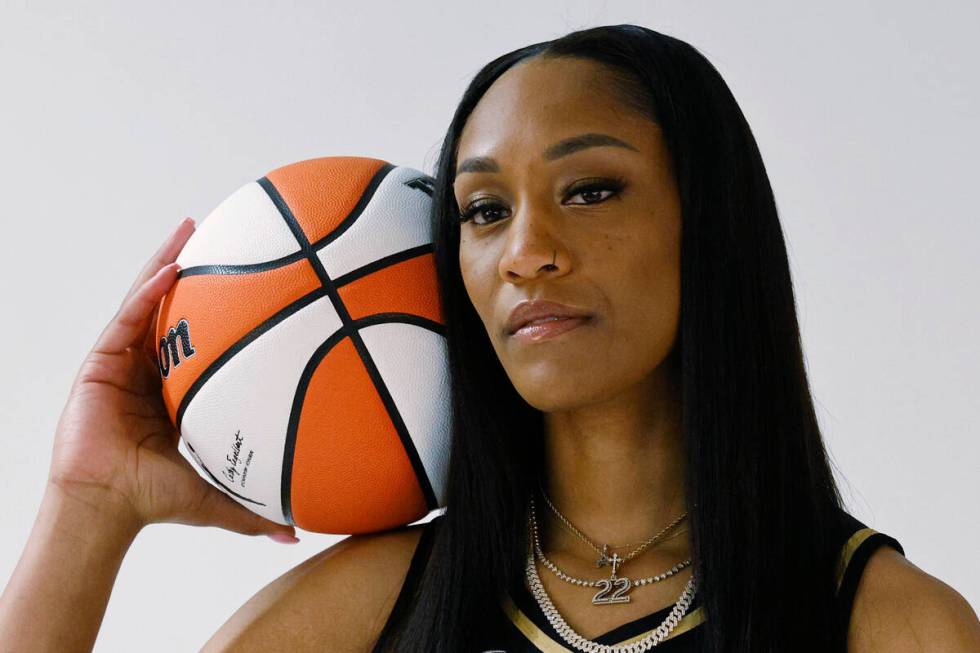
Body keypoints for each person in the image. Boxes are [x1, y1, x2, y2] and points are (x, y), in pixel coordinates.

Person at [0, 23, 976, 653]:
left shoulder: (893, 627)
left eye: (588, 189)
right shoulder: (367, 613)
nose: (525, 251)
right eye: (480, 210)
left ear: (709, 222)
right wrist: (88, 505)